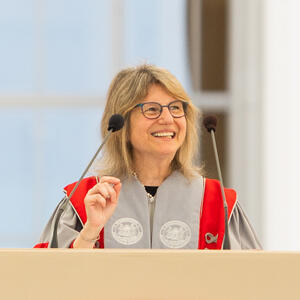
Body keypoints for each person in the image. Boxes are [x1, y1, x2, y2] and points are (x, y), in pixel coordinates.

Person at [35, 64, 261, 250]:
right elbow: (46, 281)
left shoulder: (217, 204)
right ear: (121, 123)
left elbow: (256, 282)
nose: (167, 119)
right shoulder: (83, 201)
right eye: (152, 109)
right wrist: (90, 232)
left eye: (176, 108)